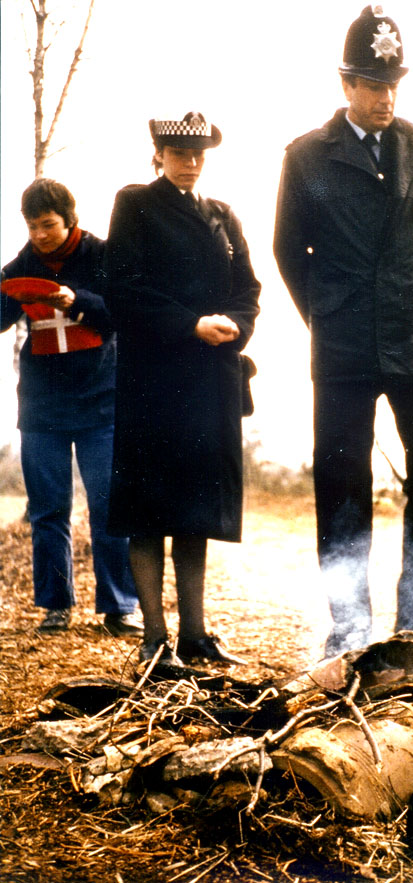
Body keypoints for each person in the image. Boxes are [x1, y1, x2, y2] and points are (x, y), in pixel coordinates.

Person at [273, 6, 413, 664]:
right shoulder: (307, 157)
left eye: (393, 84)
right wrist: (329, 316)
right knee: (342, 481)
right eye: (373, 85)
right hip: (344, 347)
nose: (386, 97)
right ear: (346, 84)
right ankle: (349, 626)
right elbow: (288, 251)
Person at [103, 111, 261, 666]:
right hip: (153, 380)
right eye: (178, 154)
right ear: (159, 155)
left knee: (196, 510)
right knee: (147, 510)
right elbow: (122, 289)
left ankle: (194, 634)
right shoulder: (136, 204)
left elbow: (249, 287)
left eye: (198, 154)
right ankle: (154, 639)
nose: (190, 163)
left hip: (210, 380)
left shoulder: (222, 215)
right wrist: (190, 324)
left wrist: (236, 325)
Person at [1, 178, 141, 636]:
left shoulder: (102, 255)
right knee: (48, 510)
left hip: (101, 399)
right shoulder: (19, 267)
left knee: (108, 505)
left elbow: (124, 313)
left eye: (48, 224)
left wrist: (76, 300)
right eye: (32, 226)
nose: (40, 235)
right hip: (42, 406)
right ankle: (55, 606)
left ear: (70, 219)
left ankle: (119, 607)